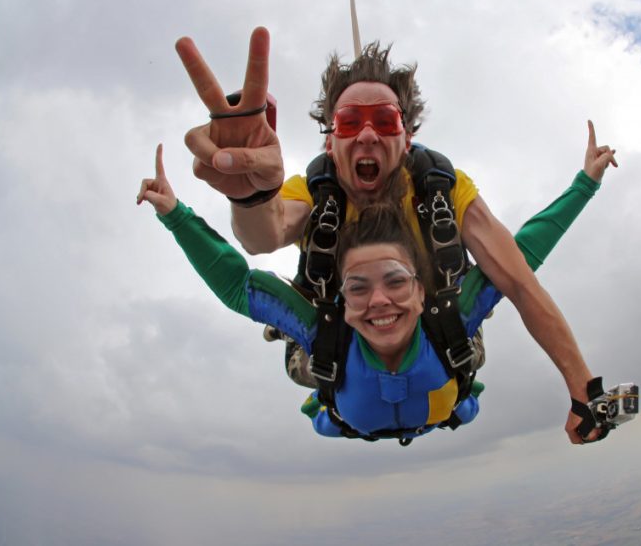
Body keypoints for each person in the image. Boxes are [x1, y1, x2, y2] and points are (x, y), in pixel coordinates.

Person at [174, 27, 618, 444]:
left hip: (442, 335)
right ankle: (334, 388)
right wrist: (251, 194)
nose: (367, 133)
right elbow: (264, 235)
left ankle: (445, 391)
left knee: (472, 319)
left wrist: (584, 389)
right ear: (330, 142)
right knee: (316, 351)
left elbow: (520, 280)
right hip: (335, 340)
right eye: (349, 122)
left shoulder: (442, 190)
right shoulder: (315, 193)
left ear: (407, 138)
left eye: (385, 120)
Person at [138, 143, 605, 442]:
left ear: (423, 293)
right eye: (358, 288)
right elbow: (240, 284)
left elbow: (522, 258)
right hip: (351, 406)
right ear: (341, 300)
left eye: (396, 282)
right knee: (315, 374)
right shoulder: (324, 332)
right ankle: (324, 384)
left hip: (427, 400)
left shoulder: (449, 319)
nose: (380, 300)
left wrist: (584, 185)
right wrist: (175, 214)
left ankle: (447, 391)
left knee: (465, 377)